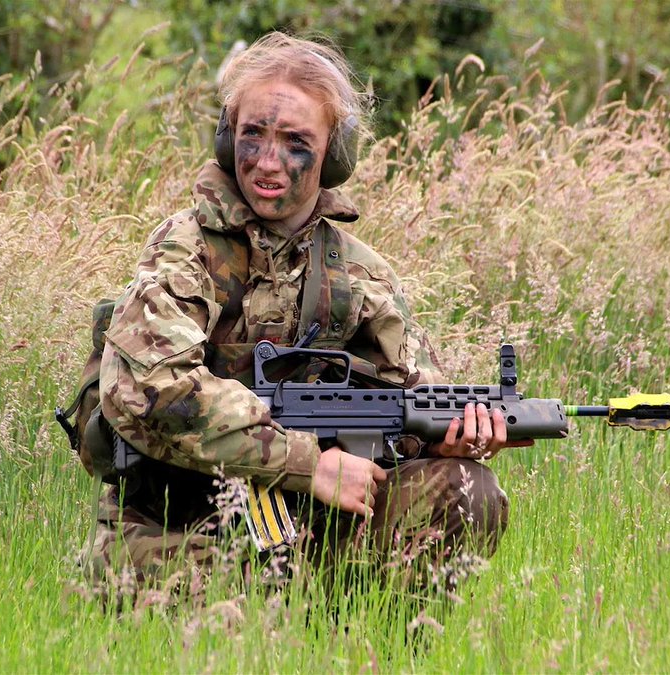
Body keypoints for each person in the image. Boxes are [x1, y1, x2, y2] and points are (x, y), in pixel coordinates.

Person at [80, 32, 527, 598]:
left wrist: (443, 439)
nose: (268, 161)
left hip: (314, 529)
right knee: (245, 619)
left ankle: (383, 646)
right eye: (252, 136)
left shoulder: (361, 275)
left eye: (295, 141)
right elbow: (150, 391)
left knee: (469, 489)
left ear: (332, 154)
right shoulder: (185, 250)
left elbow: (409, 398)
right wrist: (304, 463)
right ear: (226, 139)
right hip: (175, 526)